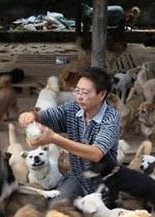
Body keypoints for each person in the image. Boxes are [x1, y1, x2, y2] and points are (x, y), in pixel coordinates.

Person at [18, 67, 120, 201]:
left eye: (85, 92)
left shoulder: (111, 118)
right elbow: (45, 116)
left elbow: (95, 154)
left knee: (97, 212)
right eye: (77, 91)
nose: (79, 96)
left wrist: (54, 138)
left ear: (101, 95)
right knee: (56, 207)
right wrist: (31, 116)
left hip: (103, 180)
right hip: (77, 176)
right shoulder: (73, 109)